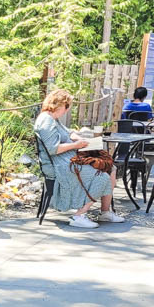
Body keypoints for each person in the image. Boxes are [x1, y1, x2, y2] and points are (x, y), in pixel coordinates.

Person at [35, 88, 124, 229]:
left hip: (66, 160)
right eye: (67, 106)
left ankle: (105, 212)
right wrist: (76, 145)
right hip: (57, 165)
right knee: (102, 176)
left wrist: (78, 138)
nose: (67, 110)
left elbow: (67, 133)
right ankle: (79, 216)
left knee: (110, 168)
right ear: (60, 105)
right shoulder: (46, 121)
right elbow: (53, 149)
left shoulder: (53, 119)